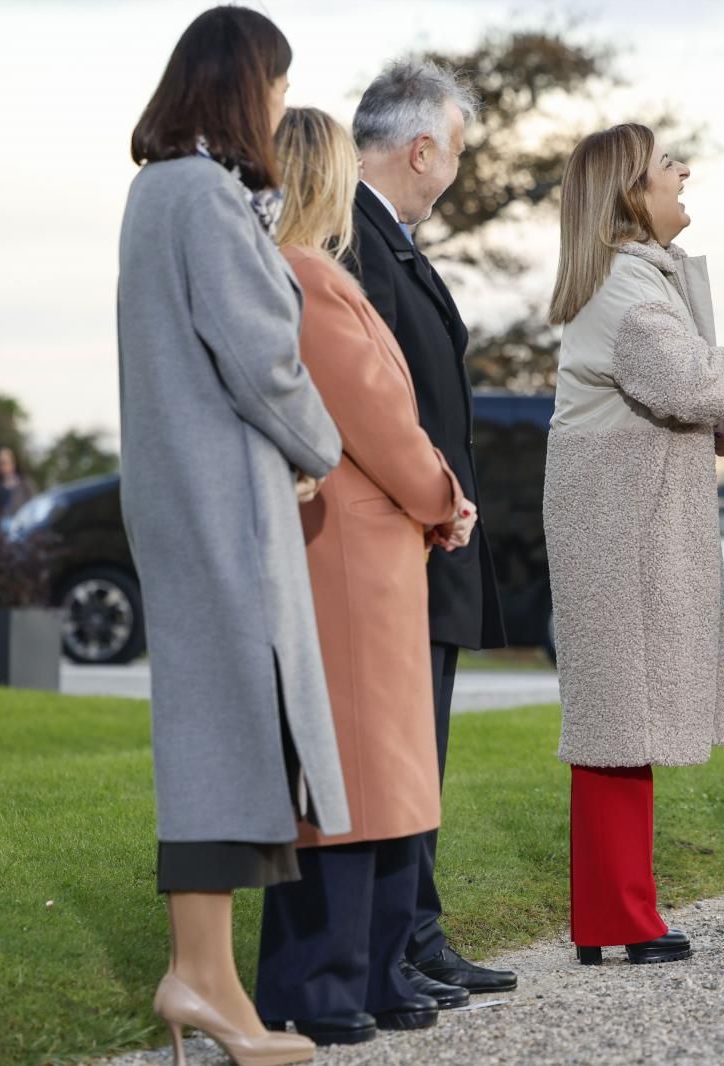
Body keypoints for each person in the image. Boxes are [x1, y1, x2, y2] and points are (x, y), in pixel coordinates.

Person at [117, 8, 346, 1065]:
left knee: (215, 732)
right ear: (242, 83)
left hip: (186, 498)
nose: (281, 103)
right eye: (276, 81)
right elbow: (263, 359)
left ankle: (209, 984)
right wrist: (323, 446)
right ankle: (203, 982)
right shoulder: (203, 197)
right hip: (225, 506)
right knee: (228, 733)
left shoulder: (158, 191)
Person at [255, 107, 477, 1046]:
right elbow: (379, 415)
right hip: (353, 549)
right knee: (354, 776)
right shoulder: (310, 278)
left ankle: (370, 971)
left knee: (380, 775)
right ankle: (323, 983)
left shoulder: (310, 276)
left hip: (371, 549)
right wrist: (444, 496)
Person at [544, 123, 724, 966]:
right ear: (631, 194)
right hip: (618, 524)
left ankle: (613, 914)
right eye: (665, 164)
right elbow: (688, 381)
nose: (682, 172)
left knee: (620, 716)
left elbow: (699, 404)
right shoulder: (627, 291)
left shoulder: (636, 280)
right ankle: (620, 916)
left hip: (623, 516)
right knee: (616, 719)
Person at [347, 60, 515, 997]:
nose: (454, 165)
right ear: (422, 149)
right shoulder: (356, 244)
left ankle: (418, 932)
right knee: (402, 749)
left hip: (431, 539)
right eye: (453, 148)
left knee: (425, 747)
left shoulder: (389, 239)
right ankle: (397, 942)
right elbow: (374, 406)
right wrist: (434, 503)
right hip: (404, 538)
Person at [0, 445, 37, 522]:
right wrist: (3, 491)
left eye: (6, 462)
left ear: (14, 463)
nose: (3, 467)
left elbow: (35, 506)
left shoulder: (25, 483)